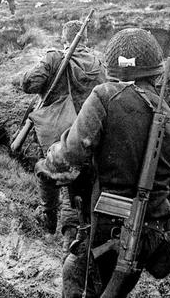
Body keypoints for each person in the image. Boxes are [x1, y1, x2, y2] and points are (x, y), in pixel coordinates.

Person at [35, 28, 170, 297]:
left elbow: (69, 155)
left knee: (79, 277)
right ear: (156, 71)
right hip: (150, 233)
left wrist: (50, 157)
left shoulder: (105, 96)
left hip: (109, 228)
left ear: (113, 68)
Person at [20, 20, 106, 243]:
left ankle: (50, 217)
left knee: (52, 174)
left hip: (59, 132)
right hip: (90, 134)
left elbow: (29, 84)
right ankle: (79, 232)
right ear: (86, 38)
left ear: (65, 38)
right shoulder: (100, 63)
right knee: (82, 185)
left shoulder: (54, 58)